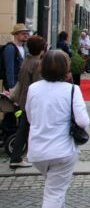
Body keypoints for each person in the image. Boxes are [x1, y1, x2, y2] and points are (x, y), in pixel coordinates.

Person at [26, 50, 90, 207]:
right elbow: (82, 122)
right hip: (62, 150)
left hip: (38, 150)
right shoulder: (72, 90)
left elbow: (30, 117)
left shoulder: (33, 88)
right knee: (54, 193)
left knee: (54, 187)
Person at [8, 35, 47, 168]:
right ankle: (18, 157)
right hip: (31, 101)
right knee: (27, 129)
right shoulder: (37, 63)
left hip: (24, 99)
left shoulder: (27, 60)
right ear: (41, 49)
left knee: (25, 128)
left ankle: (18, 156)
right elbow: (38, 84)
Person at [3, 23, 30, 91]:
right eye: (23, 33)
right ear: (16, 35)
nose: (26, 35)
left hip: (22, 84)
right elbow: (9, 68)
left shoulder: (25, 48)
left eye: (27, 33)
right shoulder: (10, 48)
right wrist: (11, 86)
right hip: (14, 84)